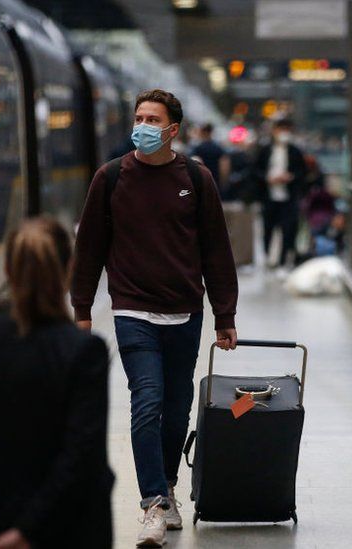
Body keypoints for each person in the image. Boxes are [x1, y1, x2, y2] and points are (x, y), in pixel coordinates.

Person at [70, 89, 239, 548]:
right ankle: (152, 504)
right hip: (131, 311)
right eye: (138, 116)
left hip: (184, 312)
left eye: (152, 119)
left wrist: (225, 313)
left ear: (172, 130)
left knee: (176, 409)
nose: (142, 125)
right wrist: (82, 309)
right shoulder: (110, 179)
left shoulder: (196, 179)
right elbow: (89, 250)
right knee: (146, 400)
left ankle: (166, 487)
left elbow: (216, 251)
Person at [0, 217, 114, 549]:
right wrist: (25, 533)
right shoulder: (83, 352)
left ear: (7, 270)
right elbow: (80, 458)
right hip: (63, 532)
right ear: (69, 269)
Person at [255, 118, 306, 269]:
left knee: (288, 229)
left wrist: (290, 177)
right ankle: (267, 256)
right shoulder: (265, 150)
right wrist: (267, 178)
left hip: (288, 197)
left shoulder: (295, 151)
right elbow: (255, 170)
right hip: (269, 197)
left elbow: (302, 172)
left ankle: (283, 260)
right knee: (268, 228)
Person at [190, 123, 228, 189]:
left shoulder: (197, 148)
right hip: (215, 180)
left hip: (202, 180)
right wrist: (224, 181)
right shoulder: (218, 147)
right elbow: (224, 166)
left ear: (202, 132)